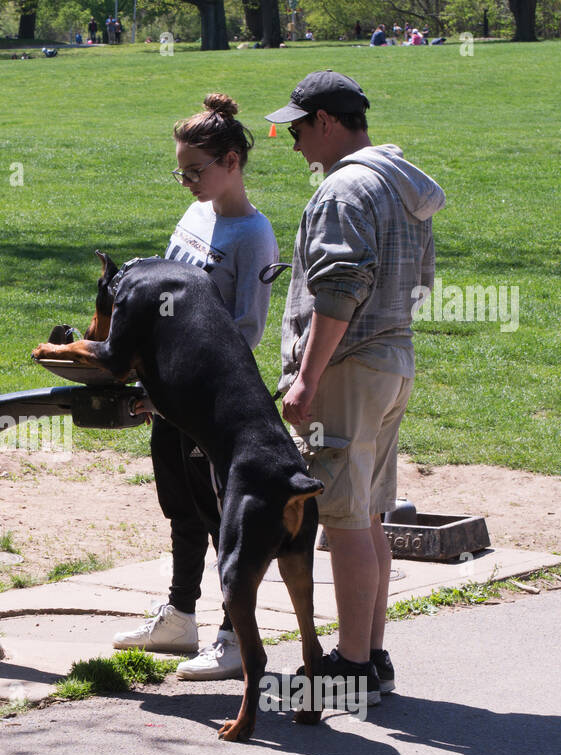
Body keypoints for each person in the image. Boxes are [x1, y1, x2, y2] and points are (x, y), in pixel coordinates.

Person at [265, 70, 444, 698]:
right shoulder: (399, 184)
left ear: (327, 123)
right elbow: (421, 281)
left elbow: (340, 289)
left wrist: (307, 377)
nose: (292, 143)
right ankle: (371, 656)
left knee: (343, 520)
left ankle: (350, 669)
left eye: (297, 128)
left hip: (348, 367)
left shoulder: (343, 189)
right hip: (393, 361)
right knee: (368, 515)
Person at [112, 93, 280, 681]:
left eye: (195, 170)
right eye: (179, 170)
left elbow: (246, 331)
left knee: (220, 516)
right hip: (167, 392)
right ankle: (180, 617)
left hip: (209, 401)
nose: (186, 181)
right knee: (180, 507)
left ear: (232, 161)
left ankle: (235, 639)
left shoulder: (253, 236)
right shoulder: (195, 216)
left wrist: (177, 379)